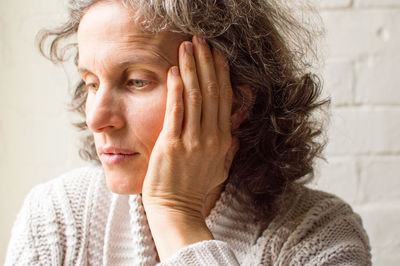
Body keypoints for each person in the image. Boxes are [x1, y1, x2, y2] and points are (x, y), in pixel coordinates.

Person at [5, 0, 371, 265]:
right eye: (91, 83)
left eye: (135, 81)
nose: (97, 117)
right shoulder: (57, 216)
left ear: (234, 102)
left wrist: (175, 214)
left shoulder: (319, 235)